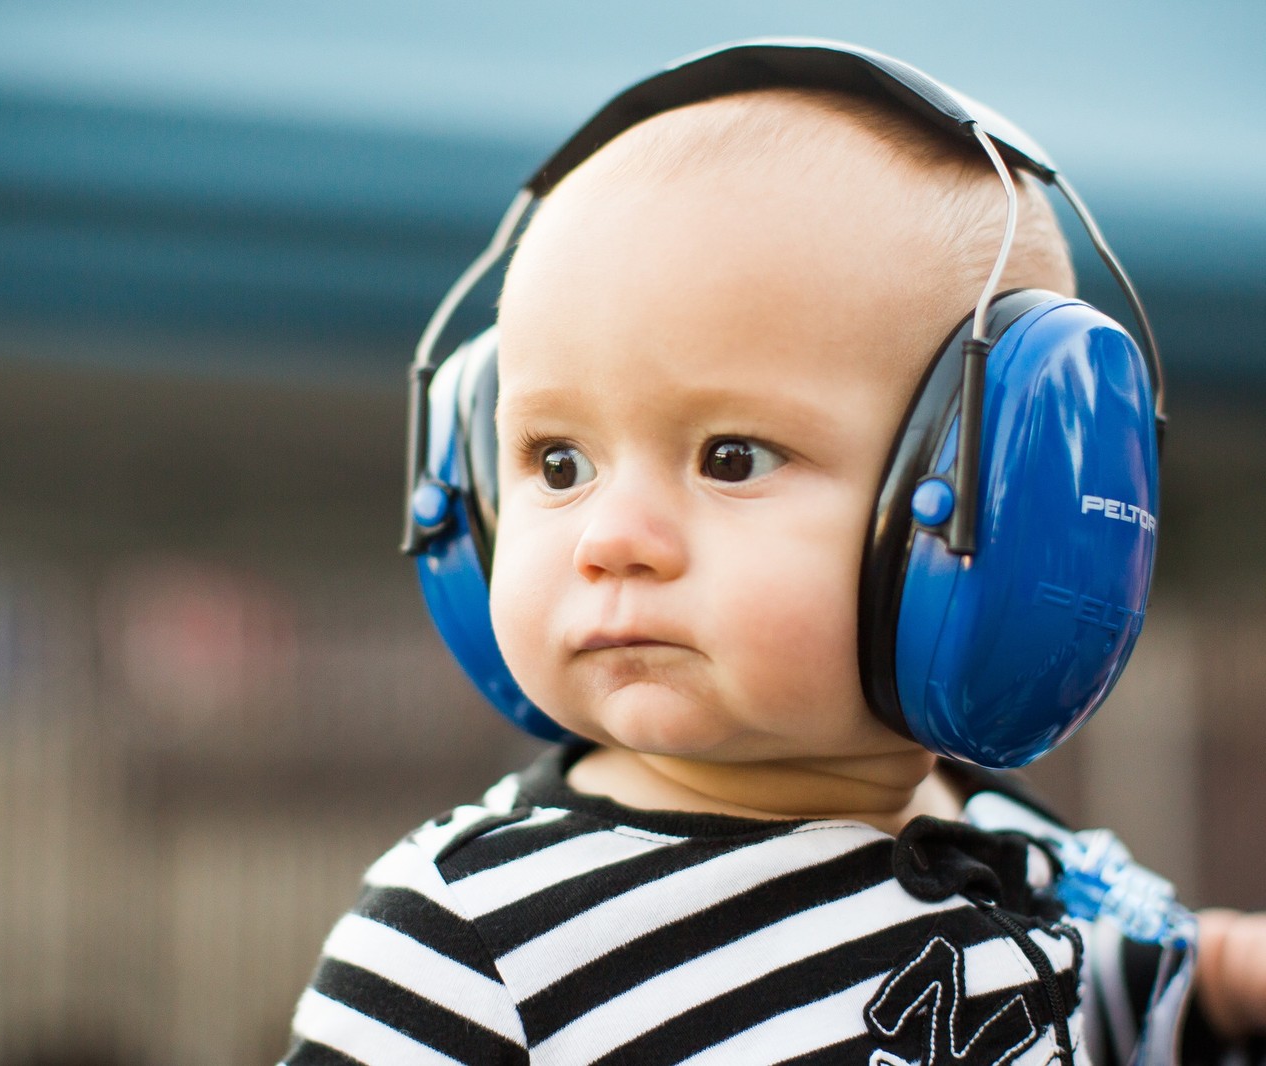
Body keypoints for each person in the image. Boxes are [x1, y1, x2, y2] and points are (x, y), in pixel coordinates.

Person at [282, 41, 1266, 1065]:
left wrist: (1230, 975)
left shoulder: (1025, 858)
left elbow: (1144, 995)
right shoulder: (468, 936)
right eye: (557, 460)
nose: (611, 538)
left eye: (731, 456)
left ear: (1020, 511)